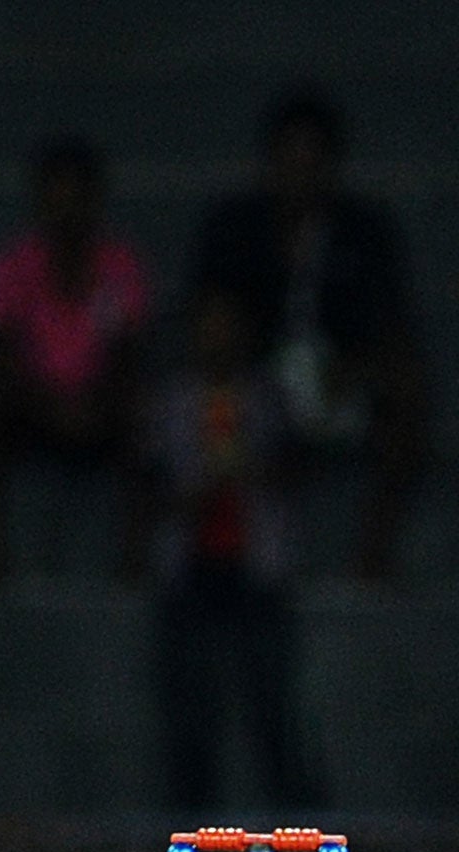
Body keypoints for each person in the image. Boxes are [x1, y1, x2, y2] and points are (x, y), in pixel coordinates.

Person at [187, 86, 428, 585]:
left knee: (409, 389)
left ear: (331, 165)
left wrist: (354, 370)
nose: (300, 172)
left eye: (311, 159)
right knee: (213, 394)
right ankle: (225, 551)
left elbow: (392, 323)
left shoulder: (366, 230)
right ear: (270, 161)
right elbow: (208, 316)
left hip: (340, 380)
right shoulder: (235, 226)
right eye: (288, 157)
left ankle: (375, 551)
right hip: (255, 383)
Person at [133, 285, 325, 815]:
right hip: (191, 567)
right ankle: (197, 832)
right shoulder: (169, 401)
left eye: (227, 323)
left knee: (272, 704)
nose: (217, 336)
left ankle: (300, 826)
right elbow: (148, 482)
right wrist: (190, 495)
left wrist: (248, 469)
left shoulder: (268, 397)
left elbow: (297, 465)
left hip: (256, 564)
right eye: (207, 324)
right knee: (192, 707)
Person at [0, 136, 152, 586]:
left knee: (147, 416)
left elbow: (127, 355)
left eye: (77, 199)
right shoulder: (12, 266)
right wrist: (50, 404)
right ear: (40, 204)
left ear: (95, 201)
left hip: (100, 402)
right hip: (33, 404)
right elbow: (2, 354)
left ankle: (134, 556)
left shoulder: (120, 265)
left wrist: (92, 401)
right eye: (56, 199)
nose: (67, 212)